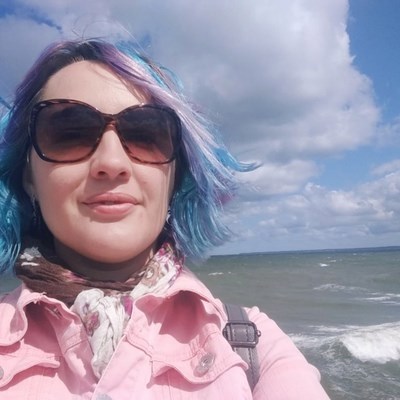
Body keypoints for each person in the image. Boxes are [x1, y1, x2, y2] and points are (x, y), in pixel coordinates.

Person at [0, 38, 330, 399]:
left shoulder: (255, 346)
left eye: (146, 134)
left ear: (175, 177)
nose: (112, 163)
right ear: (28, 175)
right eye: (69, 133)